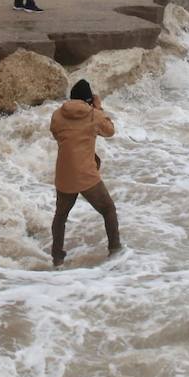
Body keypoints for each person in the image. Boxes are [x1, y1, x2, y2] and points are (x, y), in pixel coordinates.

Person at [49, 78, 121, 266]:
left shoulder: (57, 115)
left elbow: (56, 133)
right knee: (108, 209)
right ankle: (115, 250)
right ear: (89, 100)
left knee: (60, 216)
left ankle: (57, 259)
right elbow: (110, 131)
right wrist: (98, 108)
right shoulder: (94, 115)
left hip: (64, 175)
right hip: (86, 176)